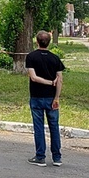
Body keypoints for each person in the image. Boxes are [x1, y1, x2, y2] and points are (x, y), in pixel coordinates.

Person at [25, 30, 65, 167]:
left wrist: (47, 82)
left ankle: (40, 156)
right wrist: (56, 97)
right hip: (51, 98)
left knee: (39, 127)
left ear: (37, 41)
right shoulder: (55, 58)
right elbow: (59, 80)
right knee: (54, 126)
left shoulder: (31, 57)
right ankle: (57, 157)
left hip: (36, 97)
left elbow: (33, 77)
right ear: (49, 42)